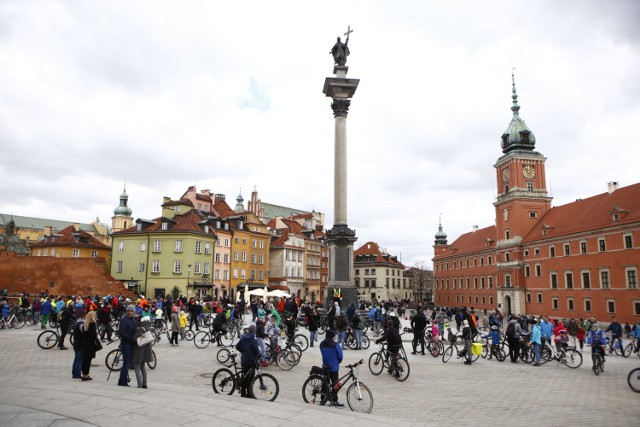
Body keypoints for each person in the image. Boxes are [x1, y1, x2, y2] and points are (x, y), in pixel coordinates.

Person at [235, 324, 261, 398]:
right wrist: (260, 356)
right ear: (254, 332)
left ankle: (243, 393)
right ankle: (249, 394)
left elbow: (237, 346)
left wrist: (243, 351)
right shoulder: (253, 340)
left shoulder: (243, 338)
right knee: (250, 378)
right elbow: (257, 352)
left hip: (244, 360)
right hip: (251, 361)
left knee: (244, 376)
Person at [319, 330, 344, 408]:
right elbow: (340, 356)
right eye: (334, 336)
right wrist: (337, 362)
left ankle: (323, 398)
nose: (335, 337)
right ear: (332, 336)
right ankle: (334, 400)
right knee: (335, 384)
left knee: (325, 382)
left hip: (325, 366)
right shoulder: (335, 345)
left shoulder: (322, 344)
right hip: (333, 367)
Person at [132, 315, 153, 388]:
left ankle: (139, 384)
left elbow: (134, 339)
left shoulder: (141, 329)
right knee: (143, 367)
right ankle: (145, 383)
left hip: (139, 351)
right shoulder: (149, 328)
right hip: (146, 352)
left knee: (137, 367)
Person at [117, 305, 136, 387]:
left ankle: (123, 380)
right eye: (128, 311)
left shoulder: (133, 320)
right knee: (126, 363)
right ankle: (122, 381)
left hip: (131, 344)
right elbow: (122, 332)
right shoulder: (124, 320)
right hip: (126, 344)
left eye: (131, 311)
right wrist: (131, 338)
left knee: (127, 363)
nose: (129, 312)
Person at [80, 310, 101, 381]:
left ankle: (84, 374)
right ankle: (86, 375)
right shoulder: (92, 324)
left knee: (85, 360)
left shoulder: (85, 324)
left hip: (84, 344)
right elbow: (94, 336)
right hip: (90, 345)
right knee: (88, 361)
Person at [71, 310, 86, 379]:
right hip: (81, 344)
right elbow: (84, 334)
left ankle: (74, 373)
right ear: (83, 316)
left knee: (76, 359)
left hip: (76, 343)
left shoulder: (77, 323)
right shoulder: (81, 324)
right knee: (79, 360)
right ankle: (77, 374)